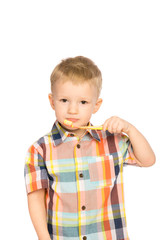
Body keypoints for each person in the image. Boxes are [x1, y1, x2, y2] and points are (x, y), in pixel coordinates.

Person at [24, 56, 155, 240]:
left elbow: (148, 160)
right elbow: (36, 198)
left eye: (83, 102)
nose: (73, 110)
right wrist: (43, 237)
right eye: (64, 100)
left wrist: (129, 129)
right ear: (52, 101)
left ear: (96, 105)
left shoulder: (112, 141)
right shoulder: (40, 149)